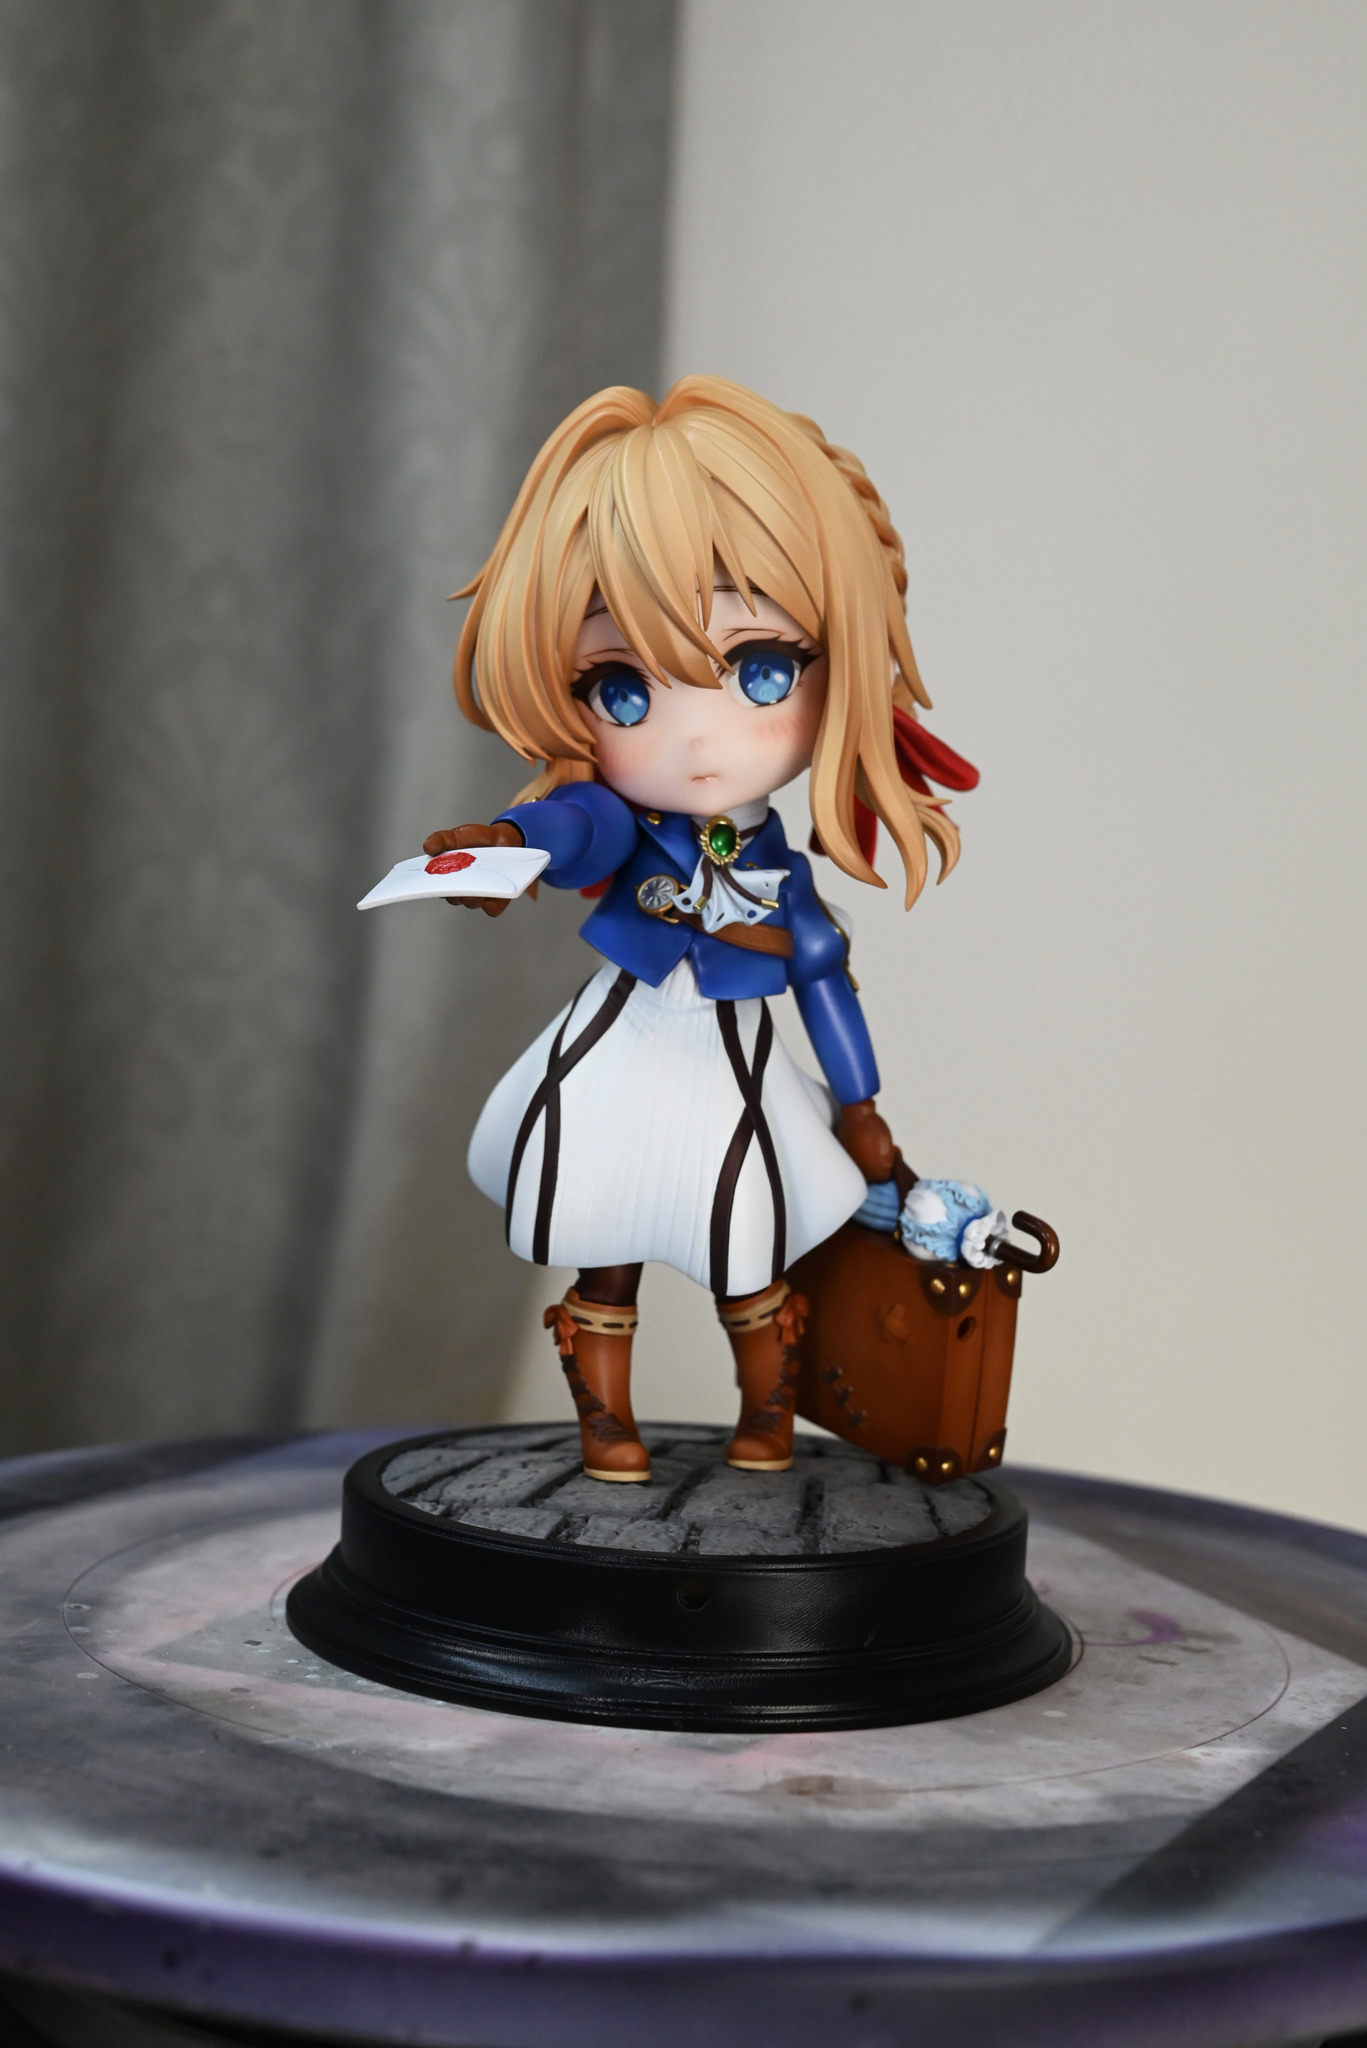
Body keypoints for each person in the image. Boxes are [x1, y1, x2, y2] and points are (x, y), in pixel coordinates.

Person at [425, 376, 977, 1484]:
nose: (696, 736)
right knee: (603, 1239)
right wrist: (509, 842)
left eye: (758, 669)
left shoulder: (778, 873)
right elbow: (580, 825)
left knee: (749, 1246)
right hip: (621, 1048)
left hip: (735, 1065)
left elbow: (821, 975)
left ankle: (764, 1418)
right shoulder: (621, 821)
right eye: (621, 686)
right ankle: (607, 1427)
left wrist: (861, 1105)